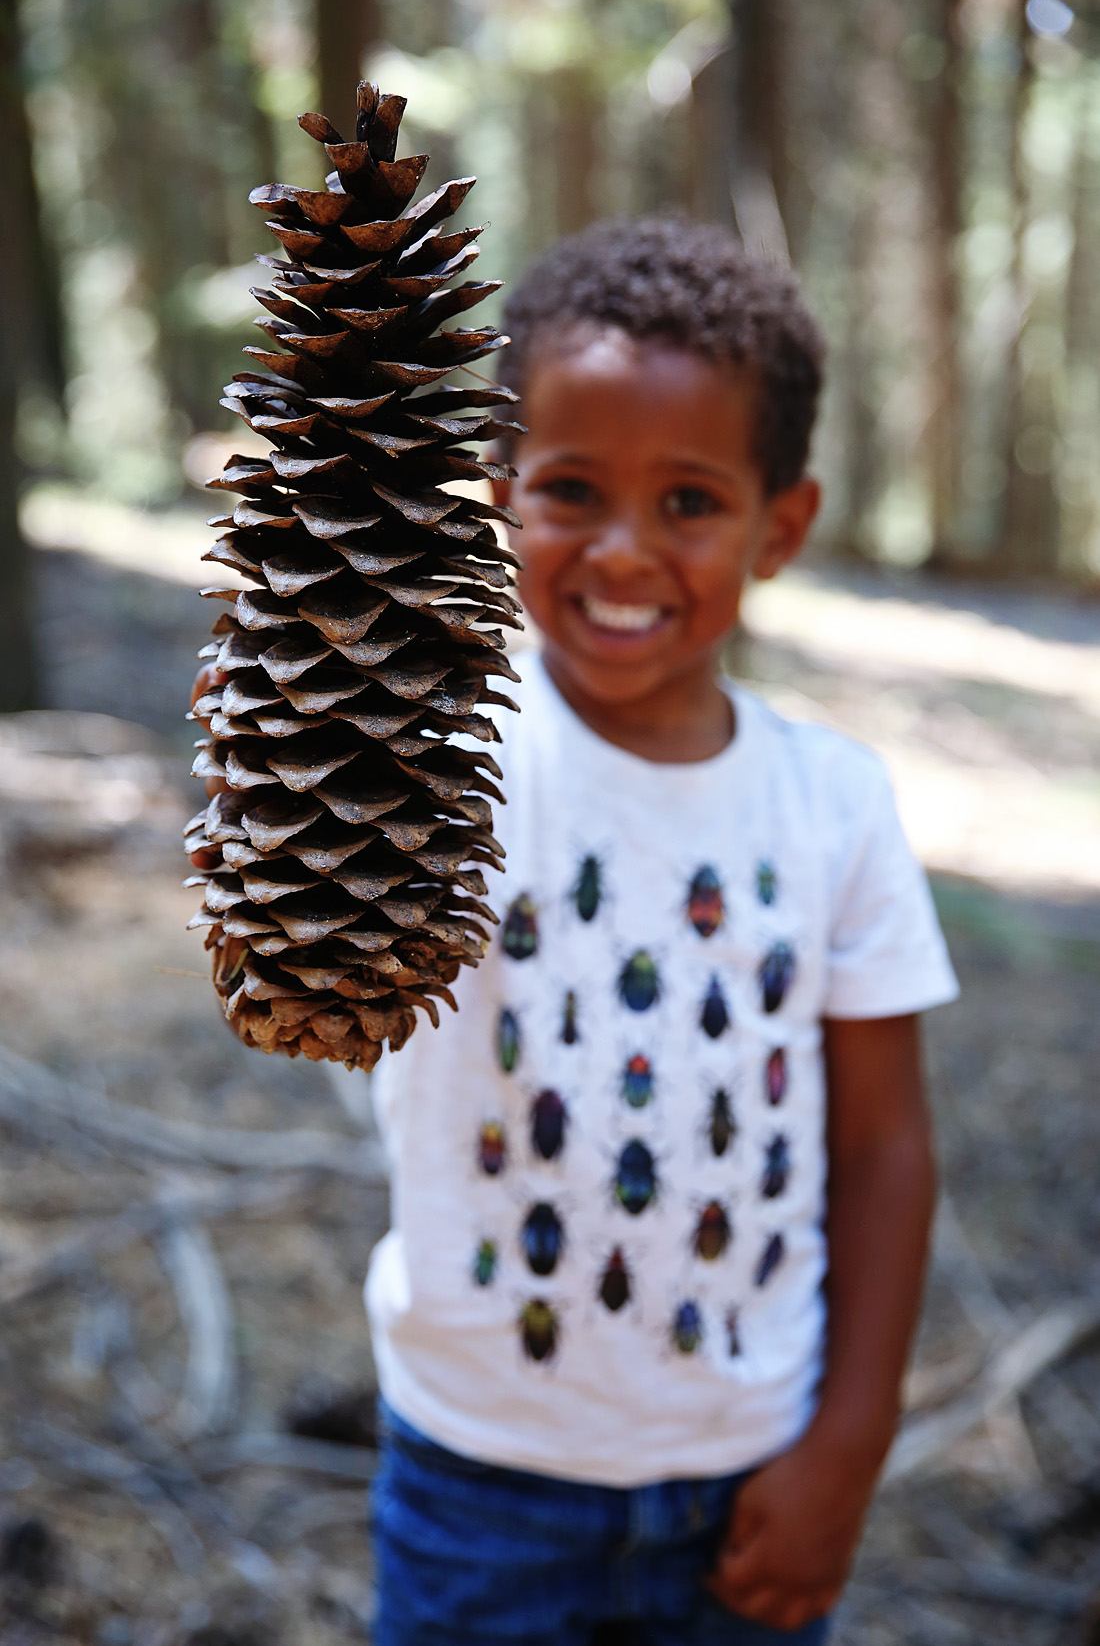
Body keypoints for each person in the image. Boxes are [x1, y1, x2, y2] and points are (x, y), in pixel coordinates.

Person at [197, 215, 959, 1644]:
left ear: (779, 525)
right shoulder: (424, 753)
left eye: (688, 501)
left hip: (749, 1460)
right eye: (569, 489)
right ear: (494, 497)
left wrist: (849, 1441)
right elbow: (318, 960)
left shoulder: (837, 806)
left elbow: (884, 1144)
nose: (622, 549)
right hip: (476, 1475)